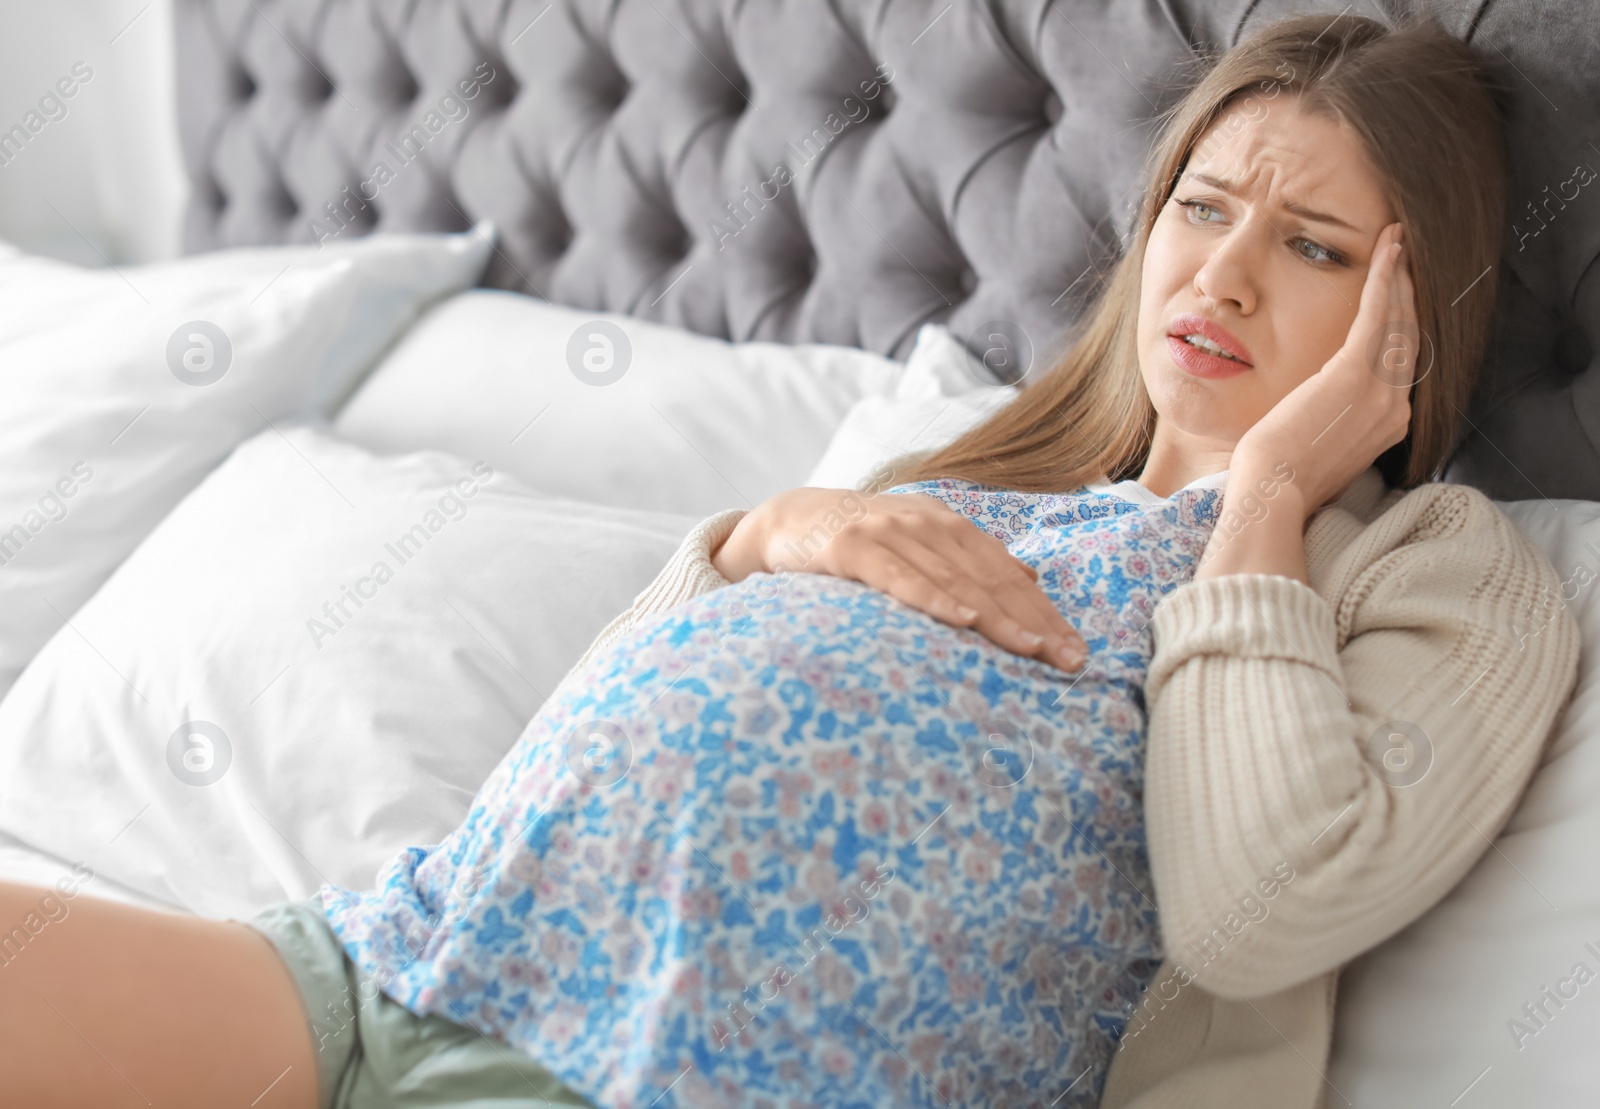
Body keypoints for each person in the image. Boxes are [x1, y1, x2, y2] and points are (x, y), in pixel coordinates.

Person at [0, 11, 1580, 1109]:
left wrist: (1272, 499)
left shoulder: (1432, 572)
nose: (1222, 275)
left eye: (1309, 247)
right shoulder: (994, 474)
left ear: (1411, 317)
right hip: (417, 960)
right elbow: (602, 703)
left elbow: (1257, 907)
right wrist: (765, 533)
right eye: (1205, 207)